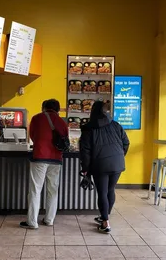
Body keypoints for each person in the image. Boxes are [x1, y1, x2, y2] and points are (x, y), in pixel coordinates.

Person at [80, 101, 129, 233]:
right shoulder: (115, 125)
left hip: (100, 164)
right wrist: (119, 156)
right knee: (110, 190)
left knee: (102, 192)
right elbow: (126, 142)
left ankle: (105, 222)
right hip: (117, 163)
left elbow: (85, 152)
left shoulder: (88, 128)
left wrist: (85, 169)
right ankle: (105, 216)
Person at [20, 99, 69, 229]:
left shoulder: (37, 118)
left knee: (35, 189)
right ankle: (49, 220)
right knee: (53, 190)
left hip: (40, 157)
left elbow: (33, 136)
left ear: (44, 107)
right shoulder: (62, 122)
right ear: (58, 110)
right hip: (56, 159)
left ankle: (32, 222)